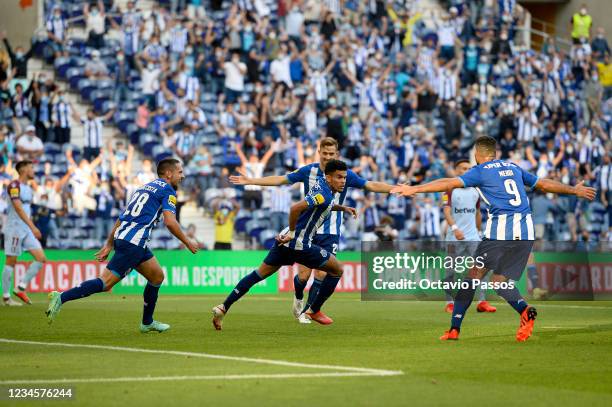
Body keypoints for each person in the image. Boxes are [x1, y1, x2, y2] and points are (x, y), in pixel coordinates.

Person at [391, 136, 596, 342]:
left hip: (501, 233)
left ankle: (454, 329)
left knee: (472, 276)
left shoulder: (480, 170)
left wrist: (414, 188)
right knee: (499, 282)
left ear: (477, 155)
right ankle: (525, 312)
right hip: (525, 234)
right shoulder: (513, 167)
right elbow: (543, 184)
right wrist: (573, 190)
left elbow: (448, 182)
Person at [230, 137, 394, 323]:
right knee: (303, 275)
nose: (327, 157)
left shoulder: (343, 174)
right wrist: (252, 181)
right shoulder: (309, 171)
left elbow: (371, 185)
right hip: (308, 229)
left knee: (323, 272)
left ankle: (309, 311)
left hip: (331, 230)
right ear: (319, 153)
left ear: (336, 154)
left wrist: (396, 189)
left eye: (331, 154)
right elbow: (281, 180)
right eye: (324, 153)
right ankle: (299, 296)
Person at [45, 158, 200, 332]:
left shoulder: (144, 188)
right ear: (169, 173)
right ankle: (61, 297)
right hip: (134, 242)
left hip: (129, 239)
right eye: (180, 172)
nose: (183, 176)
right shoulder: (168, 191)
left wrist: (110, 243)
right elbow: (170, 222)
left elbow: (122, 217)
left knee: (157, 277)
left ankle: (147, 323)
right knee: (105, 284)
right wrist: (187, 241)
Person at [212, 159, 357, 330]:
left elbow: (324, 205)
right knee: (337, 270)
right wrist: (294, 234)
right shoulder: (324, 193)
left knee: (257, 275)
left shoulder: (323, 187)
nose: (343, 181)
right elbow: (295, 208)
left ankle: (223, 307)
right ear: (329, 177)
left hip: (286, 239)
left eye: (344, 178)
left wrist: (343, 208)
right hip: (299, 242)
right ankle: (314, 310)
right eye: (339, 177)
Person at [441, 159, 496, 314]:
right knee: (450, 270)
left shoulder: (475, 190)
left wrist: (479, 232)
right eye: (463, 168)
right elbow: (446, 212)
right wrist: (454, 228)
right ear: (456, 170)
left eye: (469, 168)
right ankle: (449, 303)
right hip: (454, 238)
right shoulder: (449, 189)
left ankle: (482, 301)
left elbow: (477, 213)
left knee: (483, 268)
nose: (467, 170)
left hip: (473, 237)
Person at [2, 161, 46, 306]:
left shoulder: (28, 188)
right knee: (11, 262)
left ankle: (20, 288)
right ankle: (6, 298)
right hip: (14, 228)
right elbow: (19, 209)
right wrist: (33, 227)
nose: (34, 170)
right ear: (23, 170)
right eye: (31, 167)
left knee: (40, 258)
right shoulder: (14, 186)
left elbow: (26, 210)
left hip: (26, 229)